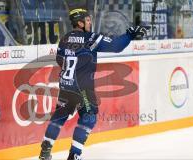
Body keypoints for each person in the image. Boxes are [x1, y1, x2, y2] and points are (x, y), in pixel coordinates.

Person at [39, 8, 146, 160]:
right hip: (83, 89)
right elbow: (116, 46)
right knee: (89, 118)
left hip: (65, 86)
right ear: (80, 23)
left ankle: (45, 151)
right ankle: (74, 155)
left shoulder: (64, 39)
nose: (90, 23)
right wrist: (130, 34)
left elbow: (59, 59)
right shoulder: (90, 38)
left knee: (60, 116)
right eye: (88, 20)